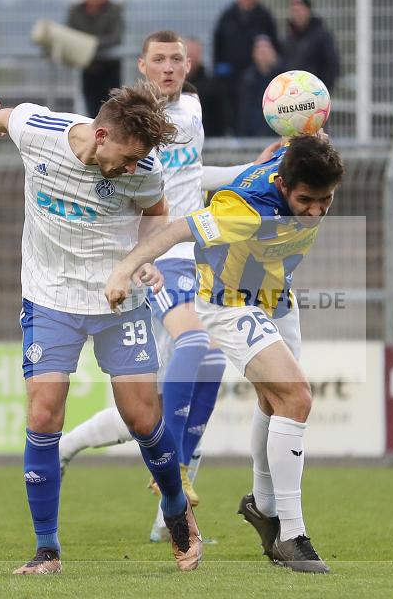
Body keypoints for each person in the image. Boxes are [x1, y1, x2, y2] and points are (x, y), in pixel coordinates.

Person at [57, 29, 281, 543]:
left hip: (196, 253)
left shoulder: (193, 110)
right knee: (197, 345)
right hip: (156, 256)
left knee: (180, 384)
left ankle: (162, 514)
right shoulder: (125, 124)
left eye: (177, 59)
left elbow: (195, 175)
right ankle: (172, 466)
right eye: (158, 59)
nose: (168, 67)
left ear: (187, 65)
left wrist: (254, 169)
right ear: (142, 65)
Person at [0, 81, 203, 574]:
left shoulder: (145, 169)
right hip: (50, 296)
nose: (133, 167)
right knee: (43, 414)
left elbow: (156, 216)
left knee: (141, 418)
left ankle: (174, 506)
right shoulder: (38, 129)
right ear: (101, 136)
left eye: (139, 160)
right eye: (128, 157)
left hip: (119, 297)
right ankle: (47, 550)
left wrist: (143, 262)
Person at [105, 134, 344, 574]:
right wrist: (124, 268)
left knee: (274, 400)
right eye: (305, 201)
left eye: (325, 201)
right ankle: (291, 534)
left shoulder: (295, 164)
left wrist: (311, 132)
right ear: (282, 185)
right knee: (296, 397)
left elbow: (301, 146)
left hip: (276, 296)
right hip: (229, 303)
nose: (315, 211)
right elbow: (178, 229)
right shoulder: (242, 210)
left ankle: (263, 506)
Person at [212, 0, 278, 134]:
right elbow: (218, 48)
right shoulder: (227, 17)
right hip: (232, 80)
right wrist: (221, 73)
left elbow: (274, 44)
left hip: (259, 76)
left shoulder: (264, 17)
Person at [66, 0, 123, 117]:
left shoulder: (114, 9)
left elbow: (116, 37)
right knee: (91, 109)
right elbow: (69, 34)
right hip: (88, 67)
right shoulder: (76, 11)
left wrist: (88, 44)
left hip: (110, 68)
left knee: (113, 109)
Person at [282, 0, 339, 92]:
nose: (297, 14)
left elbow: (331, 65)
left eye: (299, 10)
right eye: (294, 10)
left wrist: (321, 89)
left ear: (308, 10)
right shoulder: (288, 39)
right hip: (292, 92)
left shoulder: (321, 36)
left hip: (314, 92)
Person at [184, 37, 228, 137]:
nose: (189, 60)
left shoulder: (212, 86)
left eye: (193, 55)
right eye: (187, 55)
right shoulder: (170, 84)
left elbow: (220, 119)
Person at [239, 35, 282, 137]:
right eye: (260, 51)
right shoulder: (247, 79)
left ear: (274, 53)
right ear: (254, 54)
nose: (263, 55)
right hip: (253, 134)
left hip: (277, 133)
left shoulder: (282, 79)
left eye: (266, 51)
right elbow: (243, 111)